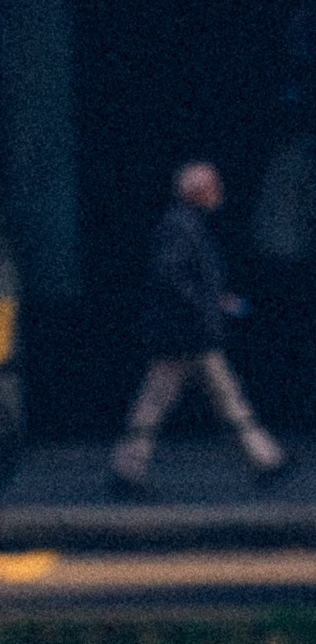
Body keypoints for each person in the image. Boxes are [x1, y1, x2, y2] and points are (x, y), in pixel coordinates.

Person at [111, 160, 289, 491]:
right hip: (186, 334)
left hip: (189, 333)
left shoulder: (185, 223)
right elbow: (171, 274)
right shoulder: (182, 226)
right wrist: (205, 303)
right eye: (212, 187)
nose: (218, 194)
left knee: (210, 398)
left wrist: (218, 300)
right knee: (165, 402)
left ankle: (265, 458)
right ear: (197, 192)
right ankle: (127, 468)